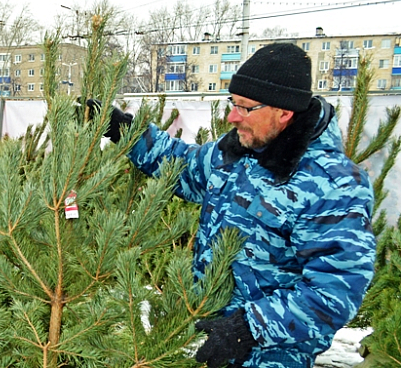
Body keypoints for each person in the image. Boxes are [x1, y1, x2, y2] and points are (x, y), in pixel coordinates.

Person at [89, 43, 376, 368]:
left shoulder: (333, 185)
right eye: (232, 103)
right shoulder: (238, 152)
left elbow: (337, 291)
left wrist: (249, 327)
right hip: (210, 338)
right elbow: (183, 164)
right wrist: (127, 132)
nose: (232, 116)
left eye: (246, 108)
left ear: (284, 112)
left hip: (272, 354)